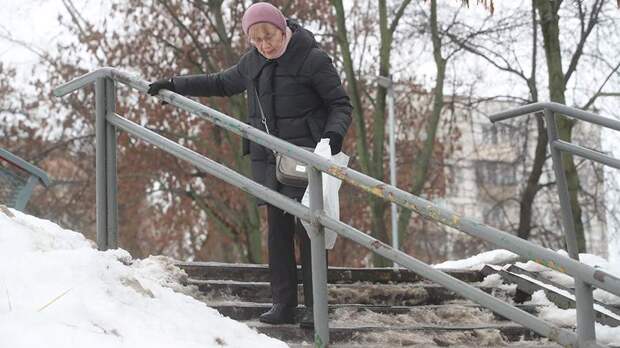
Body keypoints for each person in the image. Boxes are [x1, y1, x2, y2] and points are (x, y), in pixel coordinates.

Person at [147, 2, 352, 328]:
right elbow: (219, 83)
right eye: (256, 40)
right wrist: (173, 83)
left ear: (282, 28)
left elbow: (340, 104)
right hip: (269, 161)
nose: (265, 45)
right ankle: (283, 304)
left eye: (269, 36)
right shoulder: (253, 63)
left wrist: (332, 137)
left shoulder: (312, 59)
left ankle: (316, 309)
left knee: (309, 231)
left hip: (308, 159)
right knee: (277, 234)